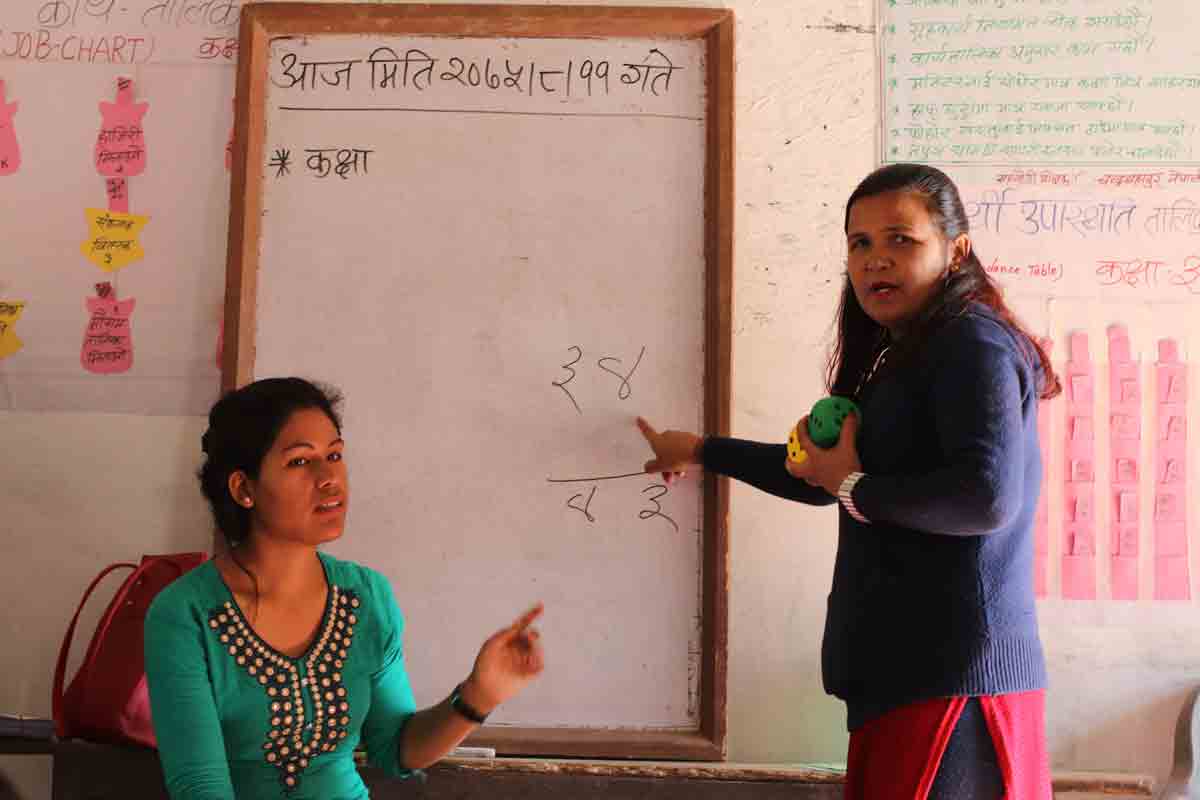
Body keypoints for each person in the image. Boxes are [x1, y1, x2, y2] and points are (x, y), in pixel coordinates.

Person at [637, 163, 1061, 800]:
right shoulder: (904, 351)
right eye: (859, 243)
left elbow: (985, 498)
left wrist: (852, 484)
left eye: (901, 240)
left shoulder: (971, 342)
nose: (875, 260)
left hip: (954, 682)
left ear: (957, 250)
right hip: (908, 681)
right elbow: (820, 478)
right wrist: (704, 449)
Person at [145, 377, 544, 799]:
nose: (329, 477)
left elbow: (395, 749)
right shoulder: (184, 614)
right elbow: (201, 788)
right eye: (300, 462)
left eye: (334, 455)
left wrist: (479, 696)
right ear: (244, 488)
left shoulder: (366, 596)